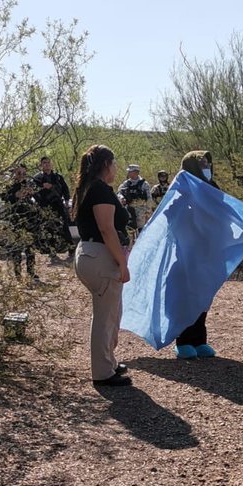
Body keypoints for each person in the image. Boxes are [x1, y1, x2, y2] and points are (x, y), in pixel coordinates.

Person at [73, 145, 132, 388]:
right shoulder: (99, 190)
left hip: (90, 253)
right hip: (101, 256)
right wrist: (121, 263)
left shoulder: (89, 188)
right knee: (106, 316)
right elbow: (107, 229)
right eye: (114, 162)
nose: (116, 168)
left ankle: (108, 361)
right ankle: (103, 372)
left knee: (110, 313)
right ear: (105, 164)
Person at [173, 151, 219, 360]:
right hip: (187, 252)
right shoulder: (181, 188)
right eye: (201, 163)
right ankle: (183, 341)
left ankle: (200, 339)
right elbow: (170, 216)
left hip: (208, 251)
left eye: (207, 162)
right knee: (187, 296)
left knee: (204, 296)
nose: (206, 166)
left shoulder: (213, 187)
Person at [3, 164, 40, 280]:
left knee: (30, 246)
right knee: (17, 246)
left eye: (24, 173)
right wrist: (15, 195)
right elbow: (6, 198)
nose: (22, 176)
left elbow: (36, 197)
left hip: (29, 217)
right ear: (14, 173)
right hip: (16, 218)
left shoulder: (29, 183)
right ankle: (17, 273)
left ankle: (31, 271)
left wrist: (32, 193)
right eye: (19, 173)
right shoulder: (10, 185)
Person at [33, 156, 72, 255]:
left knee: (64, 226)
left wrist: (67, 200)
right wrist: (42, 186)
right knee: (49, 228)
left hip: (58, 204)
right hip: (45, 206)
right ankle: (52, 250)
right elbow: (33, 191)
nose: (47, 164)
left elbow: (65, 189)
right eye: (44, 163)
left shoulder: (58, 177)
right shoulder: (37, 178)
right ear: (41, 165)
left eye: (48, 162)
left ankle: (70, 247)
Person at [118, 164, 153, 234]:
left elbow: (149, 198)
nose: (128, 173)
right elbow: (119, 193)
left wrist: (148, 211)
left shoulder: (144, 184)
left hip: (141, 212)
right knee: (130, 231)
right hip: (129, 211)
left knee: (142, 232)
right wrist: (121, 198)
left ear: (136, 172)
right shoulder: (126, 183)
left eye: (130, 171)